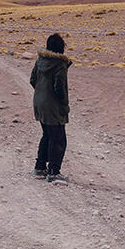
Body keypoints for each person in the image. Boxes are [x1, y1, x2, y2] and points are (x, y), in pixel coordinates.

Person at [30, 33, 71, 181]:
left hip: (39, 103)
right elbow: (59, 87)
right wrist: (64, 104)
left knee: (47, 135)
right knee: (58, 139)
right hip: (52, 107)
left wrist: (41, 93)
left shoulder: (40, 60)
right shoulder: (60, 64)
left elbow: (32, 79)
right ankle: (53, 171)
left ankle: (40, 167)